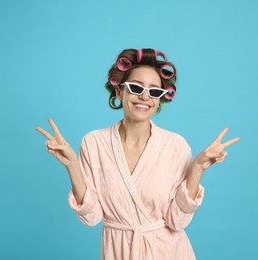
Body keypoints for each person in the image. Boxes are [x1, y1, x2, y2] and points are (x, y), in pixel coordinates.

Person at [36, 48, 240, 260]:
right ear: (118, 91)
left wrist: (197, 168)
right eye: (135, 87)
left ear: (160, 99)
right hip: (118, 252)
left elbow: (177, 221)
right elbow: (91, 217)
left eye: (154, 91)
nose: (144, 96)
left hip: (169, 252)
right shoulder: (94, 143)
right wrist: (72, 165)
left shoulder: (175, 146)